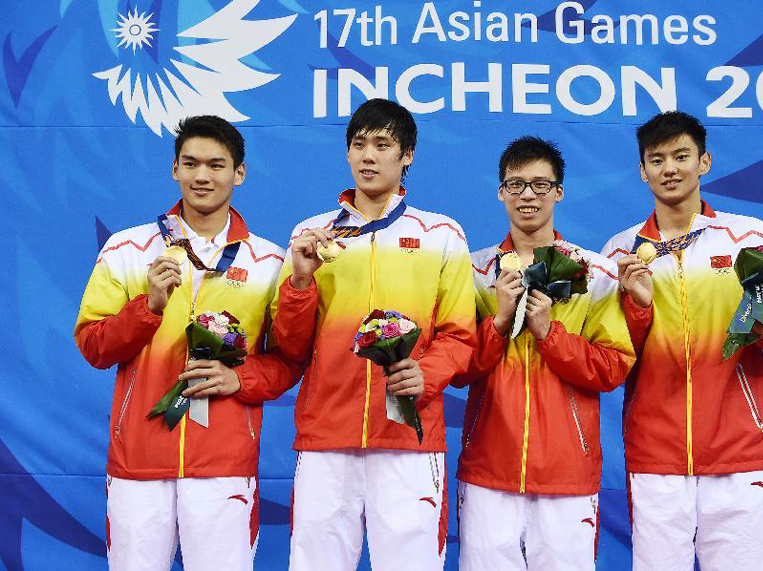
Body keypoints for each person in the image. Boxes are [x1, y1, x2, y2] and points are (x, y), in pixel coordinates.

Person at [74, 115, 296, 570]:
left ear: (240, 173)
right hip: (139, 459)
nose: (202, 176)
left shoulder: (271, 261)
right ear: (174, 168)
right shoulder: (128, 249)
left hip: (224, 463)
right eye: (191, 163)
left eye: (216, 165)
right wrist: (148, 308)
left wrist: (238, 378)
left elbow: (290, 362)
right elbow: (94, 345)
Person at [600, 111, 763, 570]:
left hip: (738, 449)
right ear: (642, 170)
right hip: (655, 453)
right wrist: (637, 306)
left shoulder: (750, 238)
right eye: (656, 160)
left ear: (705, 162)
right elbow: (613, 357)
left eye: (682, 156)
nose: (670, 168)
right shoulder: (618, 253)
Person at [272, 98, 476, 570]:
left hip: (408, 434)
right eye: (359, 144)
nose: (369, 156)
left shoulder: (441, 234)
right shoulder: (311, 234)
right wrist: (299, 281)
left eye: (382, 145)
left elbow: (460, 336)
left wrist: (427, 374)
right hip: (327, 436)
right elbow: (290, 346)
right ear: (347, 154)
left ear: (408, 155)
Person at [452, 136, 636, 571]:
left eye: (540, 184)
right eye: (515, 185)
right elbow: (458, 370)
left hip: (567, 471)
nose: (528, 195)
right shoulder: (474, 273)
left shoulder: (596, 274)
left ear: (559, 191)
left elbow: (612, 368)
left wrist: (549, 334)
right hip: (488, 470)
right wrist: (497, 323)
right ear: (500, 192)